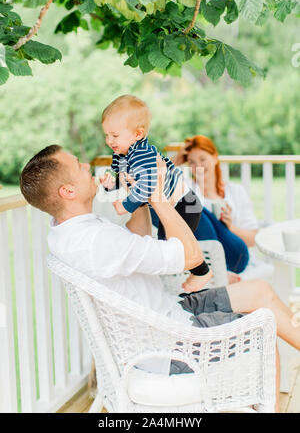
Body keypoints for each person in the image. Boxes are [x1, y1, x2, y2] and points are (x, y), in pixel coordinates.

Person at [19, 144, 300, 412]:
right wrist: (157, 197)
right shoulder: (96, 242)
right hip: (171, 344)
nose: (86, 165)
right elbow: (191, 256)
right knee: (263, 330)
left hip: (167, 313)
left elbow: (138, 238)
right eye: (77, 165)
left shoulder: (67, 231)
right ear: (67, 191)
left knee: (260, 291)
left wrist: (136, 196)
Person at [100, 94, 208, 287]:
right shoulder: (121, 154)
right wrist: (110, 184)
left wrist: (126, 205)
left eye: (115, 135)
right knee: (166, 245)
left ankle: (202, 272)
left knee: (175, 246)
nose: (110, 140)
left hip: (184, 203)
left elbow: (148, 185)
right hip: (170, 205)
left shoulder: (142, 154)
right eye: (107, 135)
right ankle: (174, 279)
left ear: (138, 134)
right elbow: (124, 179)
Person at [169, 135, 273, 283]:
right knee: (188, 203)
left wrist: (230, 226)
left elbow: (252, 240)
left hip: (235, 256)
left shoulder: (236, 192)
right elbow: (155, 183)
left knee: (195, 207)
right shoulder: (185, 186)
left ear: (215, 158)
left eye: (203, 159)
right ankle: (214, 271)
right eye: (191, 162)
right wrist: (177, 160)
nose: (198, 166)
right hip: (201, 257)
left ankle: (217, 271)